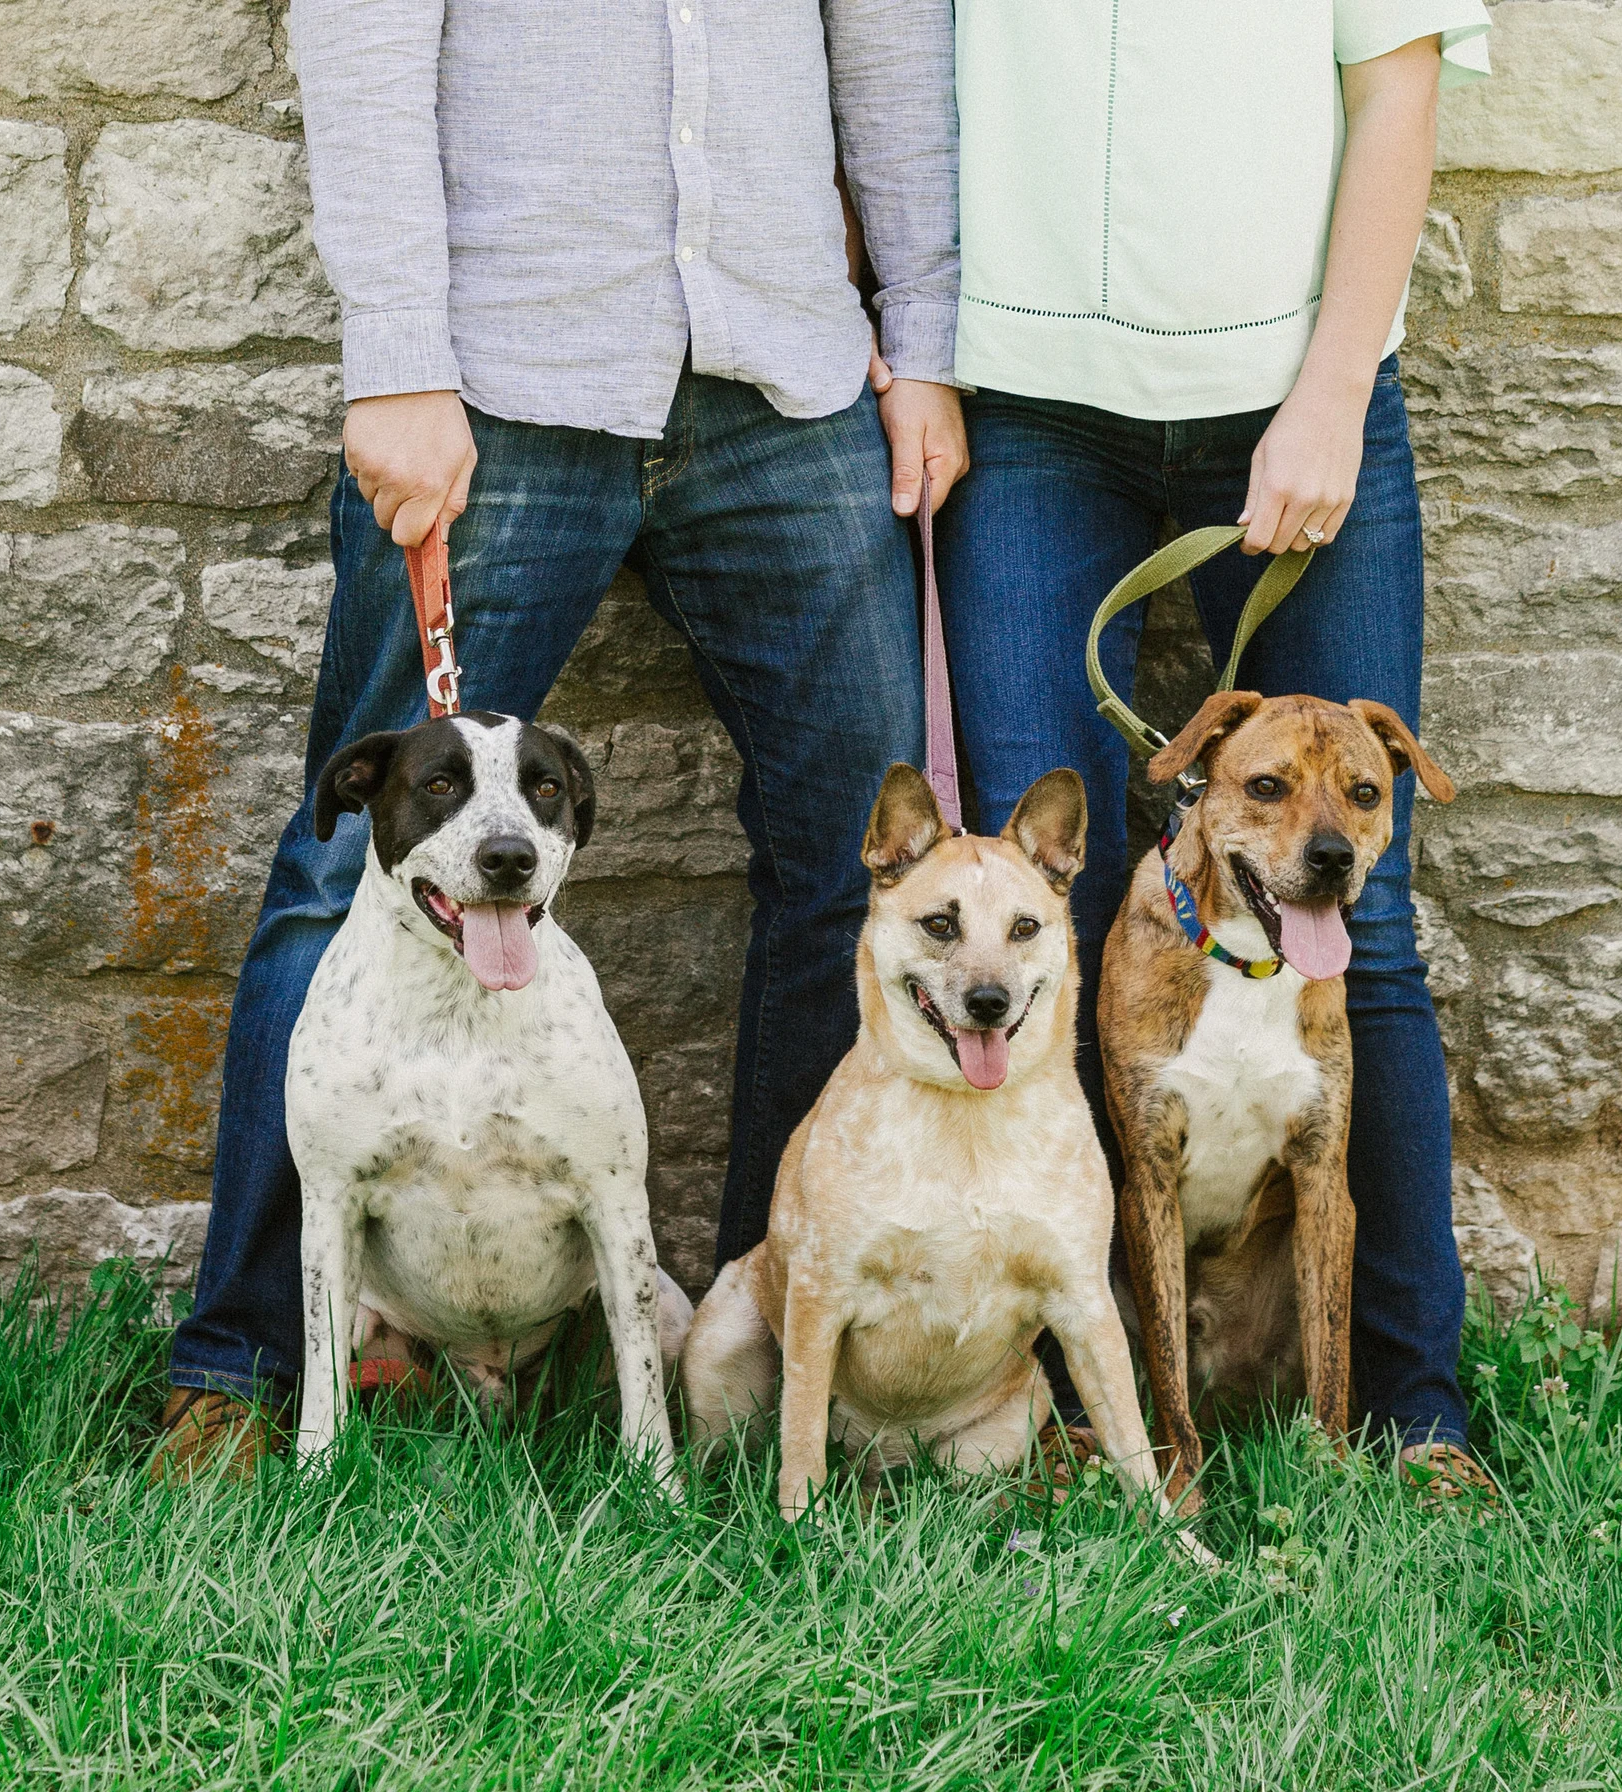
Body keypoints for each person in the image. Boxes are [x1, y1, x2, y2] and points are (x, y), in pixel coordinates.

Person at [150, 0, 970, 1478]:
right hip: (501, 379)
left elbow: (894, 46)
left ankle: (768, 1341)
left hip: (786, 381)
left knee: (855, 873)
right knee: (349, 872)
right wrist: (397, 355)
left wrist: (923, 338)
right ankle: (245, 1361)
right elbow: (366, 37)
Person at [929, 0, 1496, 1493]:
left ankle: (1413, 1405)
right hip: (1032, 412)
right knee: (1035, 927)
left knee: (1360, 936)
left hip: (1297, 392)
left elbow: (1398, 86)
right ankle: (1059, 1402)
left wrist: (1333, 392)